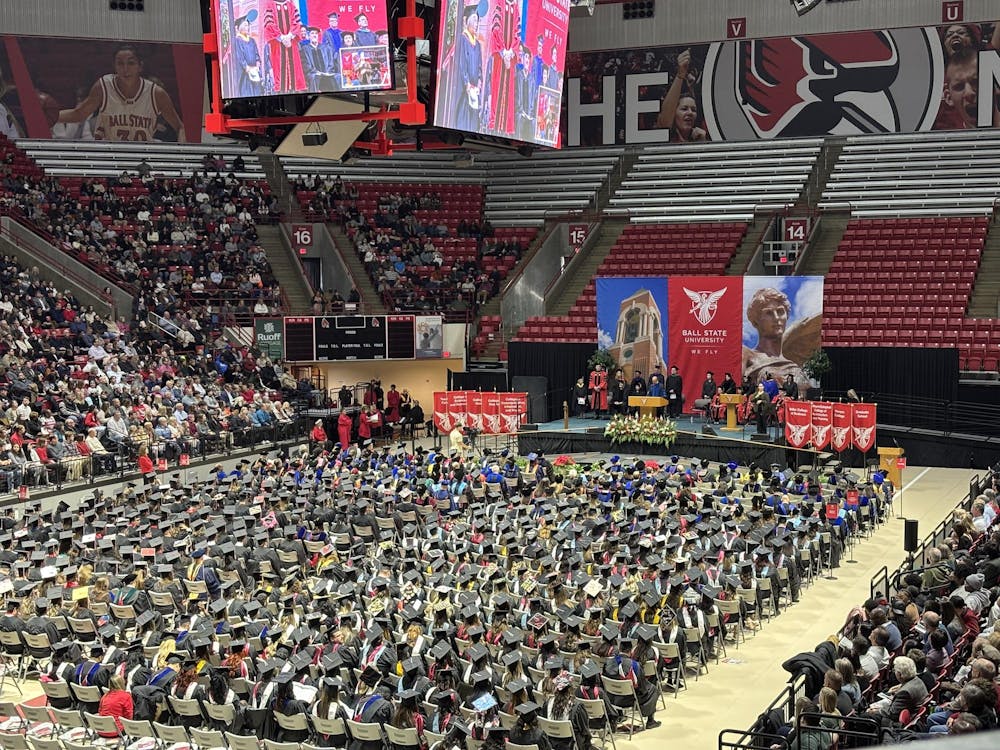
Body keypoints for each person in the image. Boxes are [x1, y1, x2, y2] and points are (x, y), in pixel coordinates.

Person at [56, 45, 185, 143]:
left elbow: (180, 127)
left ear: (140, 66)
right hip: (110, 155)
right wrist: (48, 116)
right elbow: (79, 114)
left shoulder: (156, 93)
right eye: (120, 63)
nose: (125, 69)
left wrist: (183, 157)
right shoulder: (104, 86)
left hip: (142, 157)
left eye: (131, 63)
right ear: (114, 66)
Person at [742, 287, 810, 392]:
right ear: (755, 322)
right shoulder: (747, 354)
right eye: (769, 313)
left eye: (780, 311)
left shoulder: (790, 361)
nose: (777, 317)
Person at [656, 49, 706, 141]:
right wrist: (680, 74)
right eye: (684, 109)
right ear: (674, 114)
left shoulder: (701, 136)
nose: (690, 113)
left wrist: (702, 144)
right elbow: (664, 122)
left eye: (694, 110)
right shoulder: (667, 136)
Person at [453, 6, 484, 133]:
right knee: (463, 119)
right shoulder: (462, 39)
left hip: (475, 90)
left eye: (478, 21)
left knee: (474, 120)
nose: (476, 24)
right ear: (467, 20)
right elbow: (461, 64)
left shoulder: (477, 45)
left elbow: (480, 67)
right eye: (474, 20)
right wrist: (467, 84)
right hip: (465, 90)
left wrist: (480, 82)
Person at [264, 0, 305, 93]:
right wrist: (281, 37)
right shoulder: (270, 4)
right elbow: (269, 23)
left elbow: (297, 21)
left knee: (294, 65)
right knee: (279, 67)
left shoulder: (290, 4)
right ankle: (281, 91)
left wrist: (290, 36)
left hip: (291, 42)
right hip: (278, 44)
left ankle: (294, 89)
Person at [233, 10, 265, 98]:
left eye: (248, 25)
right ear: (238, 28)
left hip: (255, 72)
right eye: (245, 25)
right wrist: (247, 68)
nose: (248, 27)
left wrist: (257, 66)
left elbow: (257, 55)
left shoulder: (252, 41)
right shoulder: (237, 41)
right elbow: (240, 57)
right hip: (245, 74)